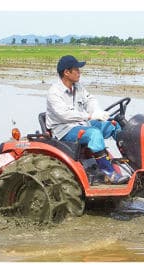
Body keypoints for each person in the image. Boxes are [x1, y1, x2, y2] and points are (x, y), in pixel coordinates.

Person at [46, 55, 128, 184]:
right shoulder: (54, 93)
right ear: (66, 73)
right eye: (76, 70)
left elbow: (90, 100)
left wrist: (96, 111)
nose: (80, 72)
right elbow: (65, 115)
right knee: (94, 134)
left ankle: (131, 162)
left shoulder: (78, 87)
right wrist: (90, 116)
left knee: (113, 125)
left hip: (82, 124)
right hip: (65, 130)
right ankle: (109, 172)